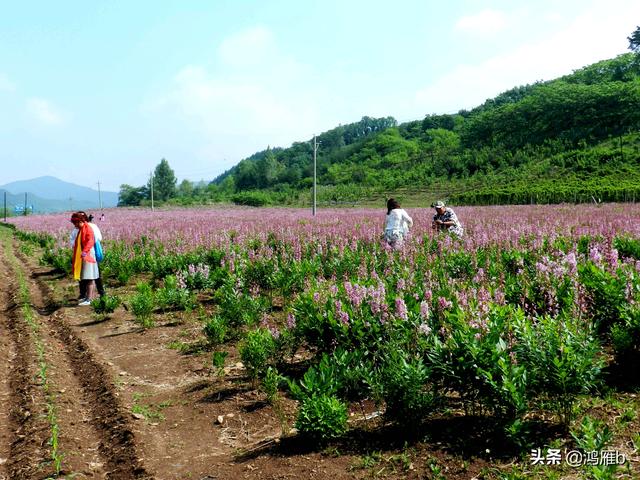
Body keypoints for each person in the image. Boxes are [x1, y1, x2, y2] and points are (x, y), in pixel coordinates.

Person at [70, 212, 99, 305]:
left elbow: (90, 241)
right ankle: (88, 297)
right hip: (85, 254)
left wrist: (84, 251)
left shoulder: (87, 228)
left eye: (75, 223)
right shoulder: (82, 229)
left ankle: (90, 299)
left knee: (90, 277)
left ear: (80, 221)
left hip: (88, 255)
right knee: (87, 278)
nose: (74, 225)